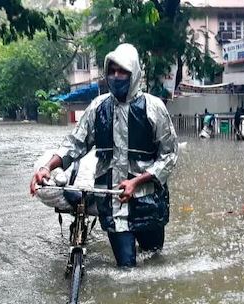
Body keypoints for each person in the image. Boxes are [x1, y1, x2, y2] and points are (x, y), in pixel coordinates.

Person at [29, 43, 178, 268]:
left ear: (134, 73)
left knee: (154, 261)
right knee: (126, 269)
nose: (116, 77)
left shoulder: (153, 108)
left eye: (123, 72)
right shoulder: (98, 108)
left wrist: (137, 181)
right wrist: (47, 168)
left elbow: (169, 155)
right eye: (112, 71)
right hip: (113, 203)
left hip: (147, 203)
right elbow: (74, 144)